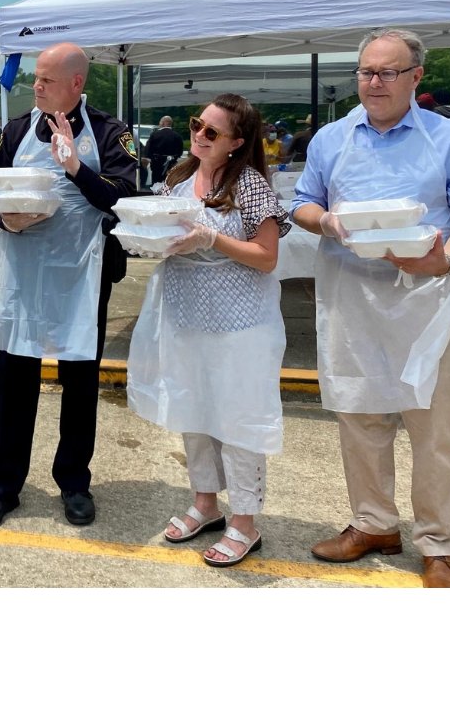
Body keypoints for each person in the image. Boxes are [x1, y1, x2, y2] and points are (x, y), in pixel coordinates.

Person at [291, 28, 450, 588]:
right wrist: (325, 220)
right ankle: (373, 523)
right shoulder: (331, 140)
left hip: (424, 300)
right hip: (350, 296)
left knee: (434, 427)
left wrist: (445, 260)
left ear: (416, 76)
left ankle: (438, 544)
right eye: (365, 71)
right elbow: (304, 203)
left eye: (386, 72)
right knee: (360, 417)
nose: (373, 82)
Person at [0, 42, 136, 531]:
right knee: (13, 382)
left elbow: (123, 198)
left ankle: (75, 483)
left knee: (79, 383)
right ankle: (2, 487)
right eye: (36, 79)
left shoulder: (109, 132)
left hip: (80, 273)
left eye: (45, 80)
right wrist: (7, 218)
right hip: (23, 270)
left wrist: (75, 169)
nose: (35, 86)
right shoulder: (18, 129)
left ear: (76, 84)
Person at [127, 95, 290, 566]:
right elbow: (159, 232)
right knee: (192, 409)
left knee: (238, 417)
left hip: (241, 321)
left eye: (212, 132)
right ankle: (205, 503)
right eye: (198, 124)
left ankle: (246, 520)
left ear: (237, 143)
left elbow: (267, 257)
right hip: (185, 315)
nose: (199, 134)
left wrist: (212, 238)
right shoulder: (178, 178)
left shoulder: (252, 186)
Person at [143, 115, 184, 187]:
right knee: (169, 182)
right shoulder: (177, 136)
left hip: (157, 162)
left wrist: (150, 157)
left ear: (162, 123)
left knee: (156, 182)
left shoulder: (155, 135)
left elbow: (148, 149)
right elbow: (180, 151)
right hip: (171, 163)